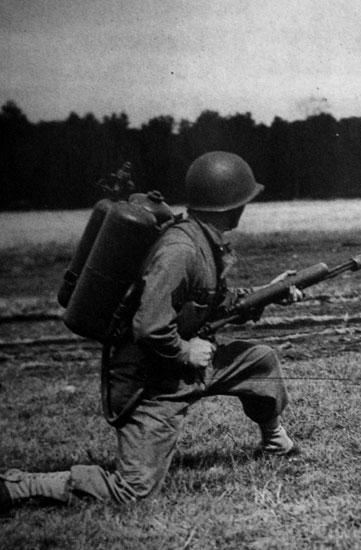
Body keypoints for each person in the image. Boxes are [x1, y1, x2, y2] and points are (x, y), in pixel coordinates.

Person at [1, 151, 301, 512]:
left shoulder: (204, 240)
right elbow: (149, 326)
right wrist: (186, 351)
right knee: (134, 491)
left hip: (179, 367)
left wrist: (269, 292)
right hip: (150, 383)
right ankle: (18, 486)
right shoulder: (181, 250)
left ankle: (275, 441)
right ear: (232, 205)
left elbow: (212, 301)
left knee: (259, 362)